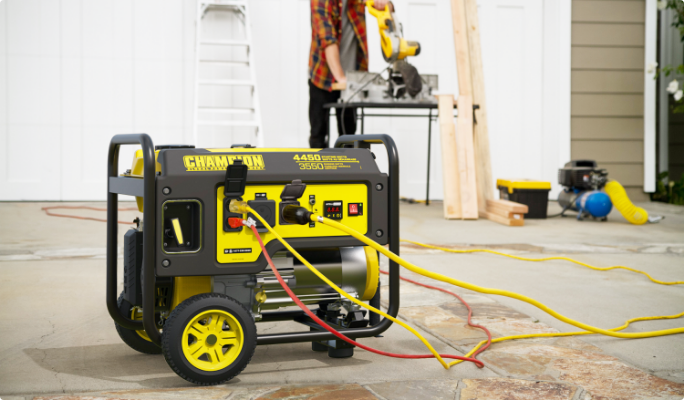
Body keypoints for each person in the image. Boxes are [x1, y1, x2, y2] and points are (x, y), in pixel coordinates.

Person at [308, 0, 389, 148]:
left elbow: (386, 6)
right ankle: (321, 171)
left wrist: (385, 4)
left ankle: (346, 171)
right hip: (323, 76)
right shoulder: (320, 2)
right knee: (318, 136)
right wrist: (341, 78)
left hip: (352, 76)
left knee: (349, 137)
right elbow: (327, 39)